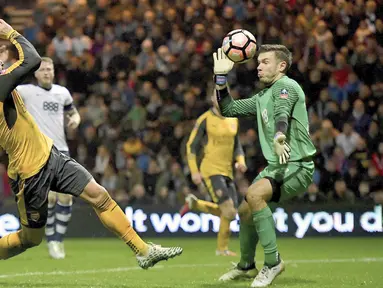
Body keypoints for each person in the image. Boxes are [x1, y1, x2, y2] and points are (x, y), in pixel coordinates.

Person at [0, 19, 182, 269]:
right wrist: (11, 33)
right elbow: (32, 59)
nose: (3, 63)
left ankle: (143, 251)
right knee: (30, 239)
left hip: (51, 156)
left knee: (99, 194)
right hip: (29, 172)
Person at [213, 45, 316, 287]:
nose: (258, 66)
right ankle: (247, 265)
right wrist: (220, 79)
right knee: (245, 210)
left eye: (265, 62)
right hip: (277, 166)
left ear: (281, 66)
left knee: (254, 195)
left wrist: (280, 136)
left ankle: (273, 262)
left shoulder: (287, 86)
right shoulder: (262, 97)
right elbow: (228, 108)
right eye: (258, 62)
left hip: (296, 164)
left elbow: (282, 112)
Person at [17, 57, 80, 259]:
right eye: (43, 69)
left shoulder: (62, 93)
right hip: (39, 151)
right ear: (35, 73)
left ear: (54, 71)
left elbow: (73, 112)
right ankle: (53, 241)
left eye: (49, 69)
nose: (46, 72)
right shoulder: (25, 91)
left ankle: (56, 240)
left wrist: (75, 120)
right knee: (51, 197)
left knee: (66, 196)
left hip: (62, 150)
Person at [181, 103, 247, 256]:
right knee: (229, 210)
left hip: (228, 171)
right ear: (212, 99)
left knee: (230, 212)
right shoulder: (205, 119)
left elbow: (237, 146)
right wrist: (194, 171)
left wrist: (241, 161)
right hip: (210, 169)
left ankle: (195, 204)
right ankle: (221, 249)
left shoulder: (233, 119)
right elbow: (191, 146)